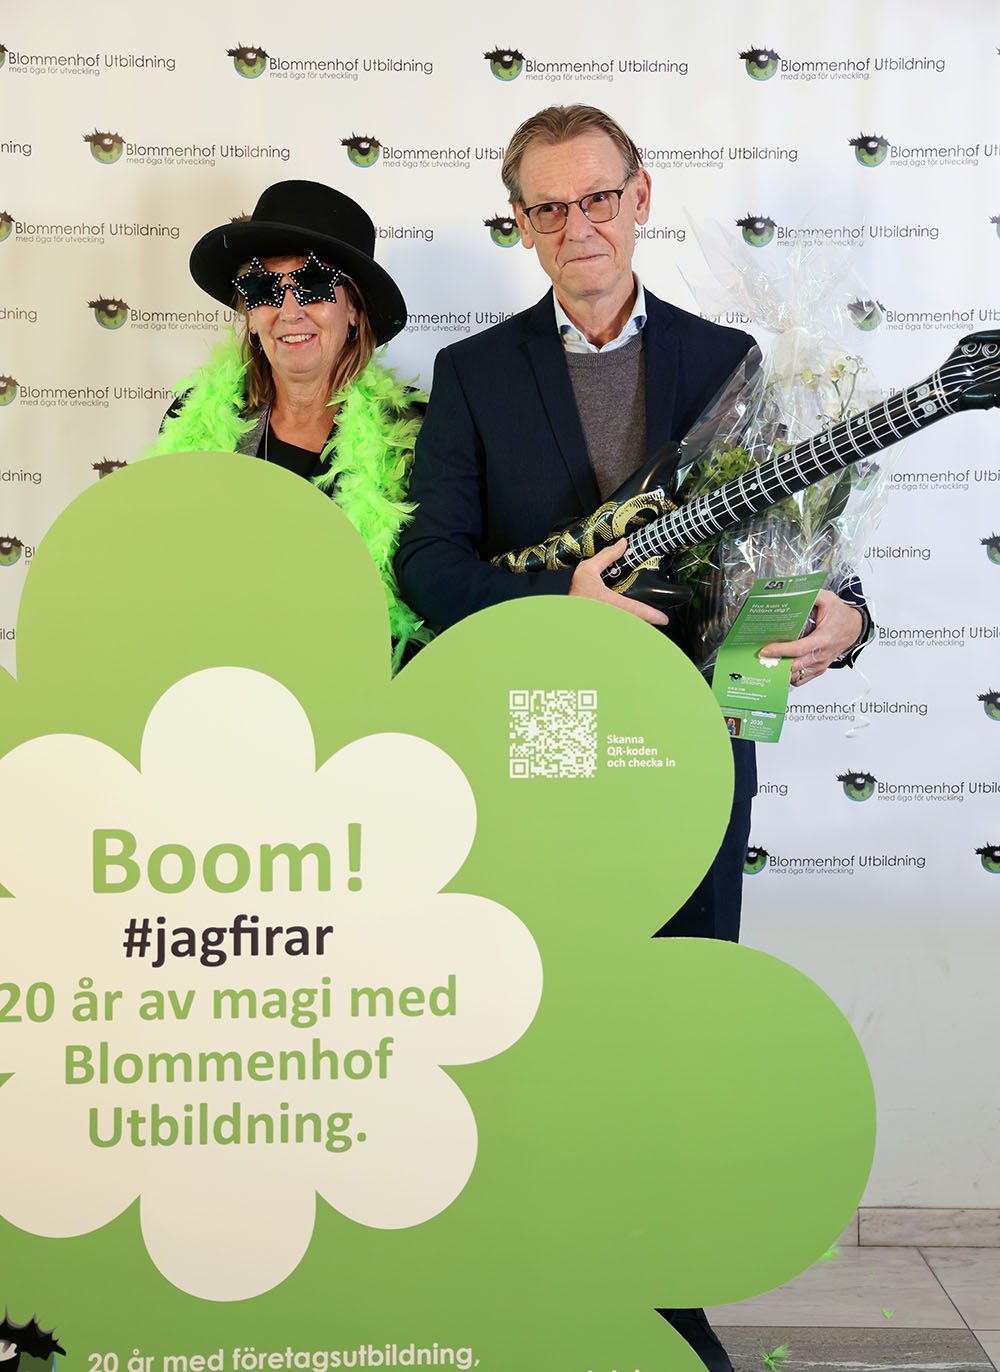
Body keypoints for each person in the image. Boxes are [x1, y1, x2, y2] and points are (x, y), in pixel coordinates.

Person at [395, 104, 872, 1371]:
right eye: (548, 207)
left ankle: (664, 1297)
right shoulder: (474, 374)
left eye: (597, 197)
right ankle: (538, 1280)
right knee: (543, 1020)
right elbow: (427, 562)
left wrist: (846, 616)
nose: (578, 226)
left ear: (641, 197)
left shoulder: (734, 360)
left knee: (681, 1021)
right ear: (520, 224)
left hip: (696, 740)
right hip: (543, 745)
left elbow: (803, 547)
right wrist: (561, 601)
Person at [147, 179, 428, 670]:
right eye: (263, 288)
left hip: (361, 681)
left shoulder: (416, 434)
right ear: (249, 314)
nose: (289, 312)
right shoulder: (195, 420)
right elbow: (161, 565)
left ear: (354, 310)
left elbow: (433, 590)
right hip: (226, 674)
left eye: (314, 285)